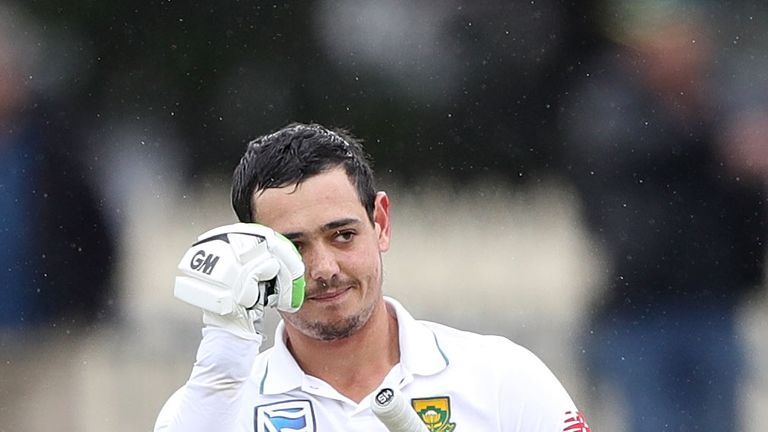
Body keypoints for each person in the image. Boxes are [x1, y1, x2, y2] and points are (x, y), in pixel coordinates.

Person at [154, 123, 589, 431]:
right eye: (294, 247)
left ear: (380, 222)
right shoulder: (215, 404)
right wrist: (221, 371)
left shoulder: (501, 377)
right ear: (254, 252)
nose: (324, 269)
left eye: (342, 235)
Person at [559, 6, 766, 431]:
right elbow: (634, 152)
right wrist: (716, 139)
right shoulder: (610, 103)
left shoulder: (720, 95)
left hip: (713, 300)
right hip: (640, 308)